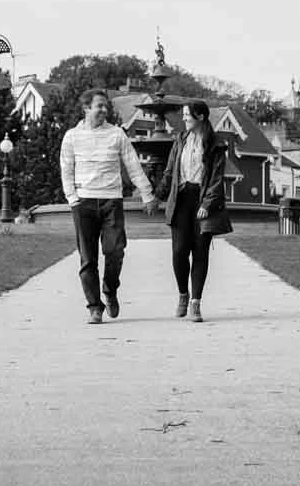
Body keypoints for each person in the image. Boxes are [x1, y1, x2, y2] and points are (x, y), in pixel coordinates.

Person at [60, 89, 158, 324]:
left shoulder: (116, 135)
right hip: (83, 202)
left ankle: (110, 289)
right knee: (87, 259)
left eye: (106, 106)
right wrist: (72, 197)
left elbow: (133, 165)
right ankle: (95, 307)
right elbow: (66, 169)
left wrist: (147, 193)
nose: (104, 110)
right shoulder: (71, 136)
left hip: (111, 201)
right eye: (99, 106)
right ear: (86, 108)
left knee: (115, 251)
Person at [164, 101, 233, 322]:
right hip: (181, 199)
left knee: (200, 252)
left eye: (188, 115)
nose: (184, 119)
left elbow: (216, 178)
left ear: (201, 117)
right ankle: (183, 294)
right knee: (179, 252)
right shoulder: (180, 140)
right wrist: (156, 196)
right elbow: (169, 172)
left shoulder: (215, 144)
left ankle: (196, 303)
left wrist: (207, 205)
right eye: (184, 114)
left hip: (203, 201)